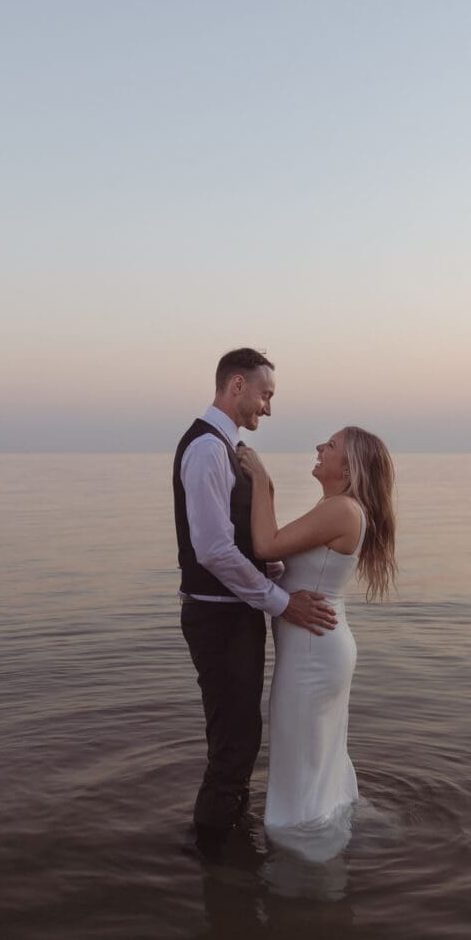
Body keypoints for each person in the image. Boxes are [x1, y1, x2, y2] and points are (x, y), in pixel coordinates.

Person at [173, 348, 337, 852]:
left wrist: (278, 577)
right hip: (217, 617)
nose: (268, 407)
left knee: (241, 734)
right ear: (237, 386)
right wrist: (281, 602)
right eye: (265, 395)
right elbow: (213, 549)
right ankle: (214, 856)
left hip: (233, 614)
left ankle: (229, 846)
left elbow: (240, 542)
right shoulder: (207, 449)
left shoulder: (230, 448)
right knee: (234, 741)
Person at [238, 426, 397, 860]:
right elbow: (287, 562)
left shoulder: (342, 509)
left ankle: (306, 855)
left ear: (348, 467)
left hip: (313, 653)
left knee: (301, 757)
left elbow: (265, 544)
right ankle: (324, 834)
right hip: (317, 648)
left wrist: (261, 480)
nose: (319, 447)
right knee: (315, 754)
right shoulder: (335, 507)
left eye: (331, 445)